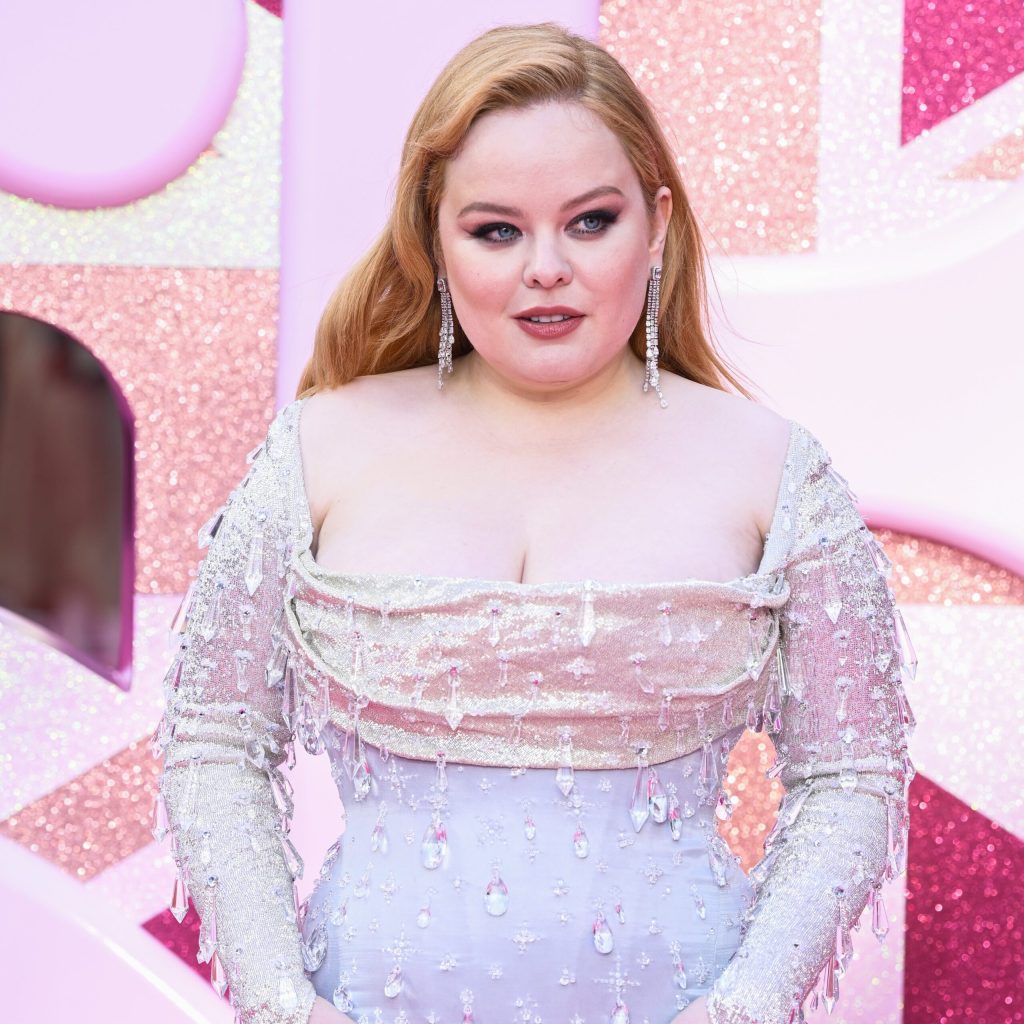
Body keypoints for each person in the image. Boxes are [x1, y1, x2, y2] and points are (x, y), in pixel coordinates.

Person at [151, 21, 917, 1024]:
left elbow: (853, 770)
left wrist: (746, 1005)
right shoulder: (315, 450)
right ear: (434, 237)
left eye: (590, 222)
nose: (546, 267)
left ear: (656, 225)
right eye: (497, 231)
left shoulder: (776, 471)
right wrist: (280, 1002)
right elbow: (213, 738)